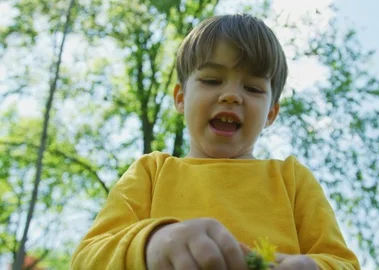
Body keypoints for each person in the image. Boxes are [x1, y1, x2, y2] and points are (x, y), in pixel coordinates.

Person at [71, 14, 360, 270]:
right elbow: (87, 258)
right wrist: (153, 245)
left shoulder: (292, 180)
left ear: (271, 113)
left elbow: (342, 262)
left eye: (252, 88)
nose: (232, 95)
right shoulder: (151, 172)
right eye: (211, 80)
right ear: (181, 99)